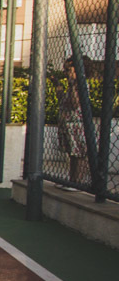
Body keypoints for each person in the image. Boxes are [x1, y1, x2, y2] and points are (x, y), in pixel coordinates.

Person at [56, 56, 92, 185]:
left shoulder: (80, 85)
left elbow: (74, 104)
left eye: (68, 70)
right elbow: (64, 102)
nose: (65, 73)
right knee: (72, 154)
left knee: (79, 155)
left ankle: (78, 182)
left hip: (77, 124)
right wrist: (59, 88)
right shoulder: (72, 85)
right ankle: (72, 180)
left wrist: (71, 86)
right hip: (69, 124)